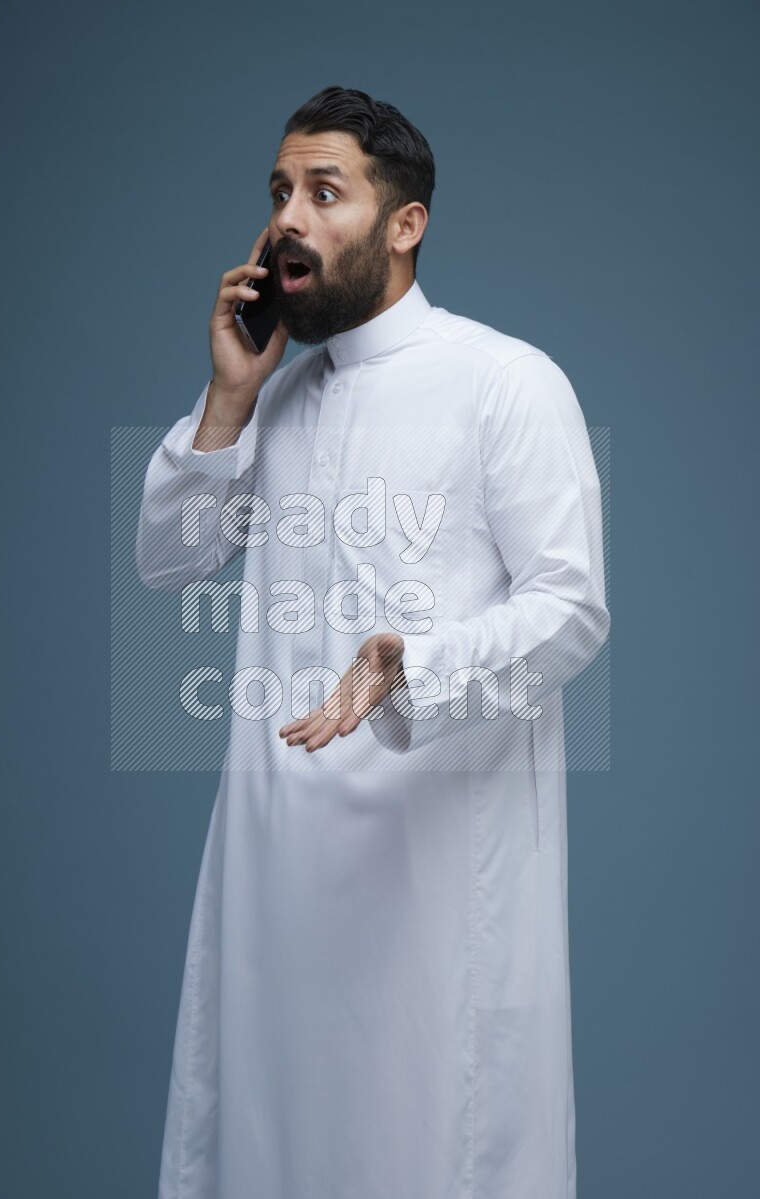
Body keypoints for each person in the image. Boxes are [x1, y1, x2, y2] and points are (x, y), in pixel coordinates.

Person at [137, 85, 610, 1199]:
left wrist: (419, 666)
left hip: (433, 881)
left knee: (427, 1146)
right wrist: (225, 396)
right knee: (270, 1147)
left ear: (405, 223)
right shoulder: (283, 399)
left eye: (324, 191)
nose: (287, 219)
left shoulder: (503, 381)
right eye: (278, 193)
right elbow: (166, 557)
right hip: (275, 876)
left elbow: (572, 605)